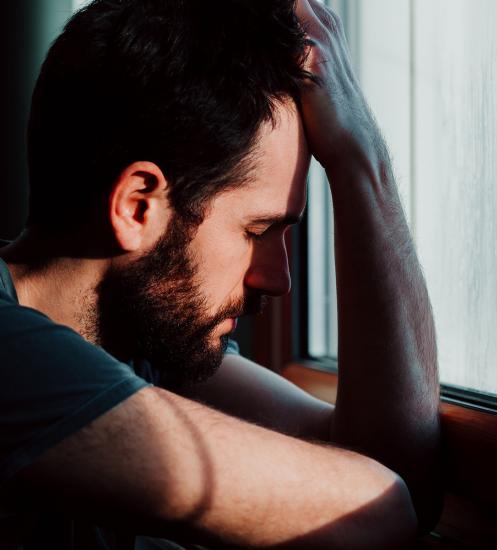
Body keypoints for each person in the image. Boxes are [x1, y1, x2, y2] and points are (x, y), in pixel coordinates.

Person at [0, 0, 442, 547]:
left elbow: (389, 473)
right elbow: (382, 514)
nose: (277, 281)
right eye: (256, 232)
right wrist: (364, 160)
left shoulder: (139, 338)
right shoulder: (13, 358)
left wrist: (360, 158)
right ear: (139, 207)